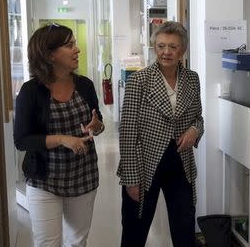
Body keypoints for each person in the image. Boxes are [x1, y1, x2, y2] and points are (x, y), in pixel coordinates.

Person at [13, 23, 105, 247]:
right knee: (47, 243)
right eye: (70, 45)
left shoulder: (84, 85)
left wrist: (96, 125)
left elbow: (99, 124)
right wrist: (63, 139)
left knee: (77, 241)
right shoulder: (30, 91)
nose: (77, 49)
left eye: (74, 43)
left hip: (83, 175)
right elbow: (22, 139)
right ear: (49, 54)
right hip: (44, 178)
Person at [118, 21, 204, 247]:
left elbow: (199, 118)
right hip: (144, 163)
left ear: (182, 50)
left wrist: (195, 130)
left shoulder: (192, 79)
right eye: (161, 46)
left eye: (173, 47)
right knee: (135, 229)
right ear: (154, 47)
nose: (167, 52)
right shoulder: (139, 81)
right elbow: (127, 133)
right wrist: (131, 179)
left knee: (185, 228)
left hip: (180, 161)